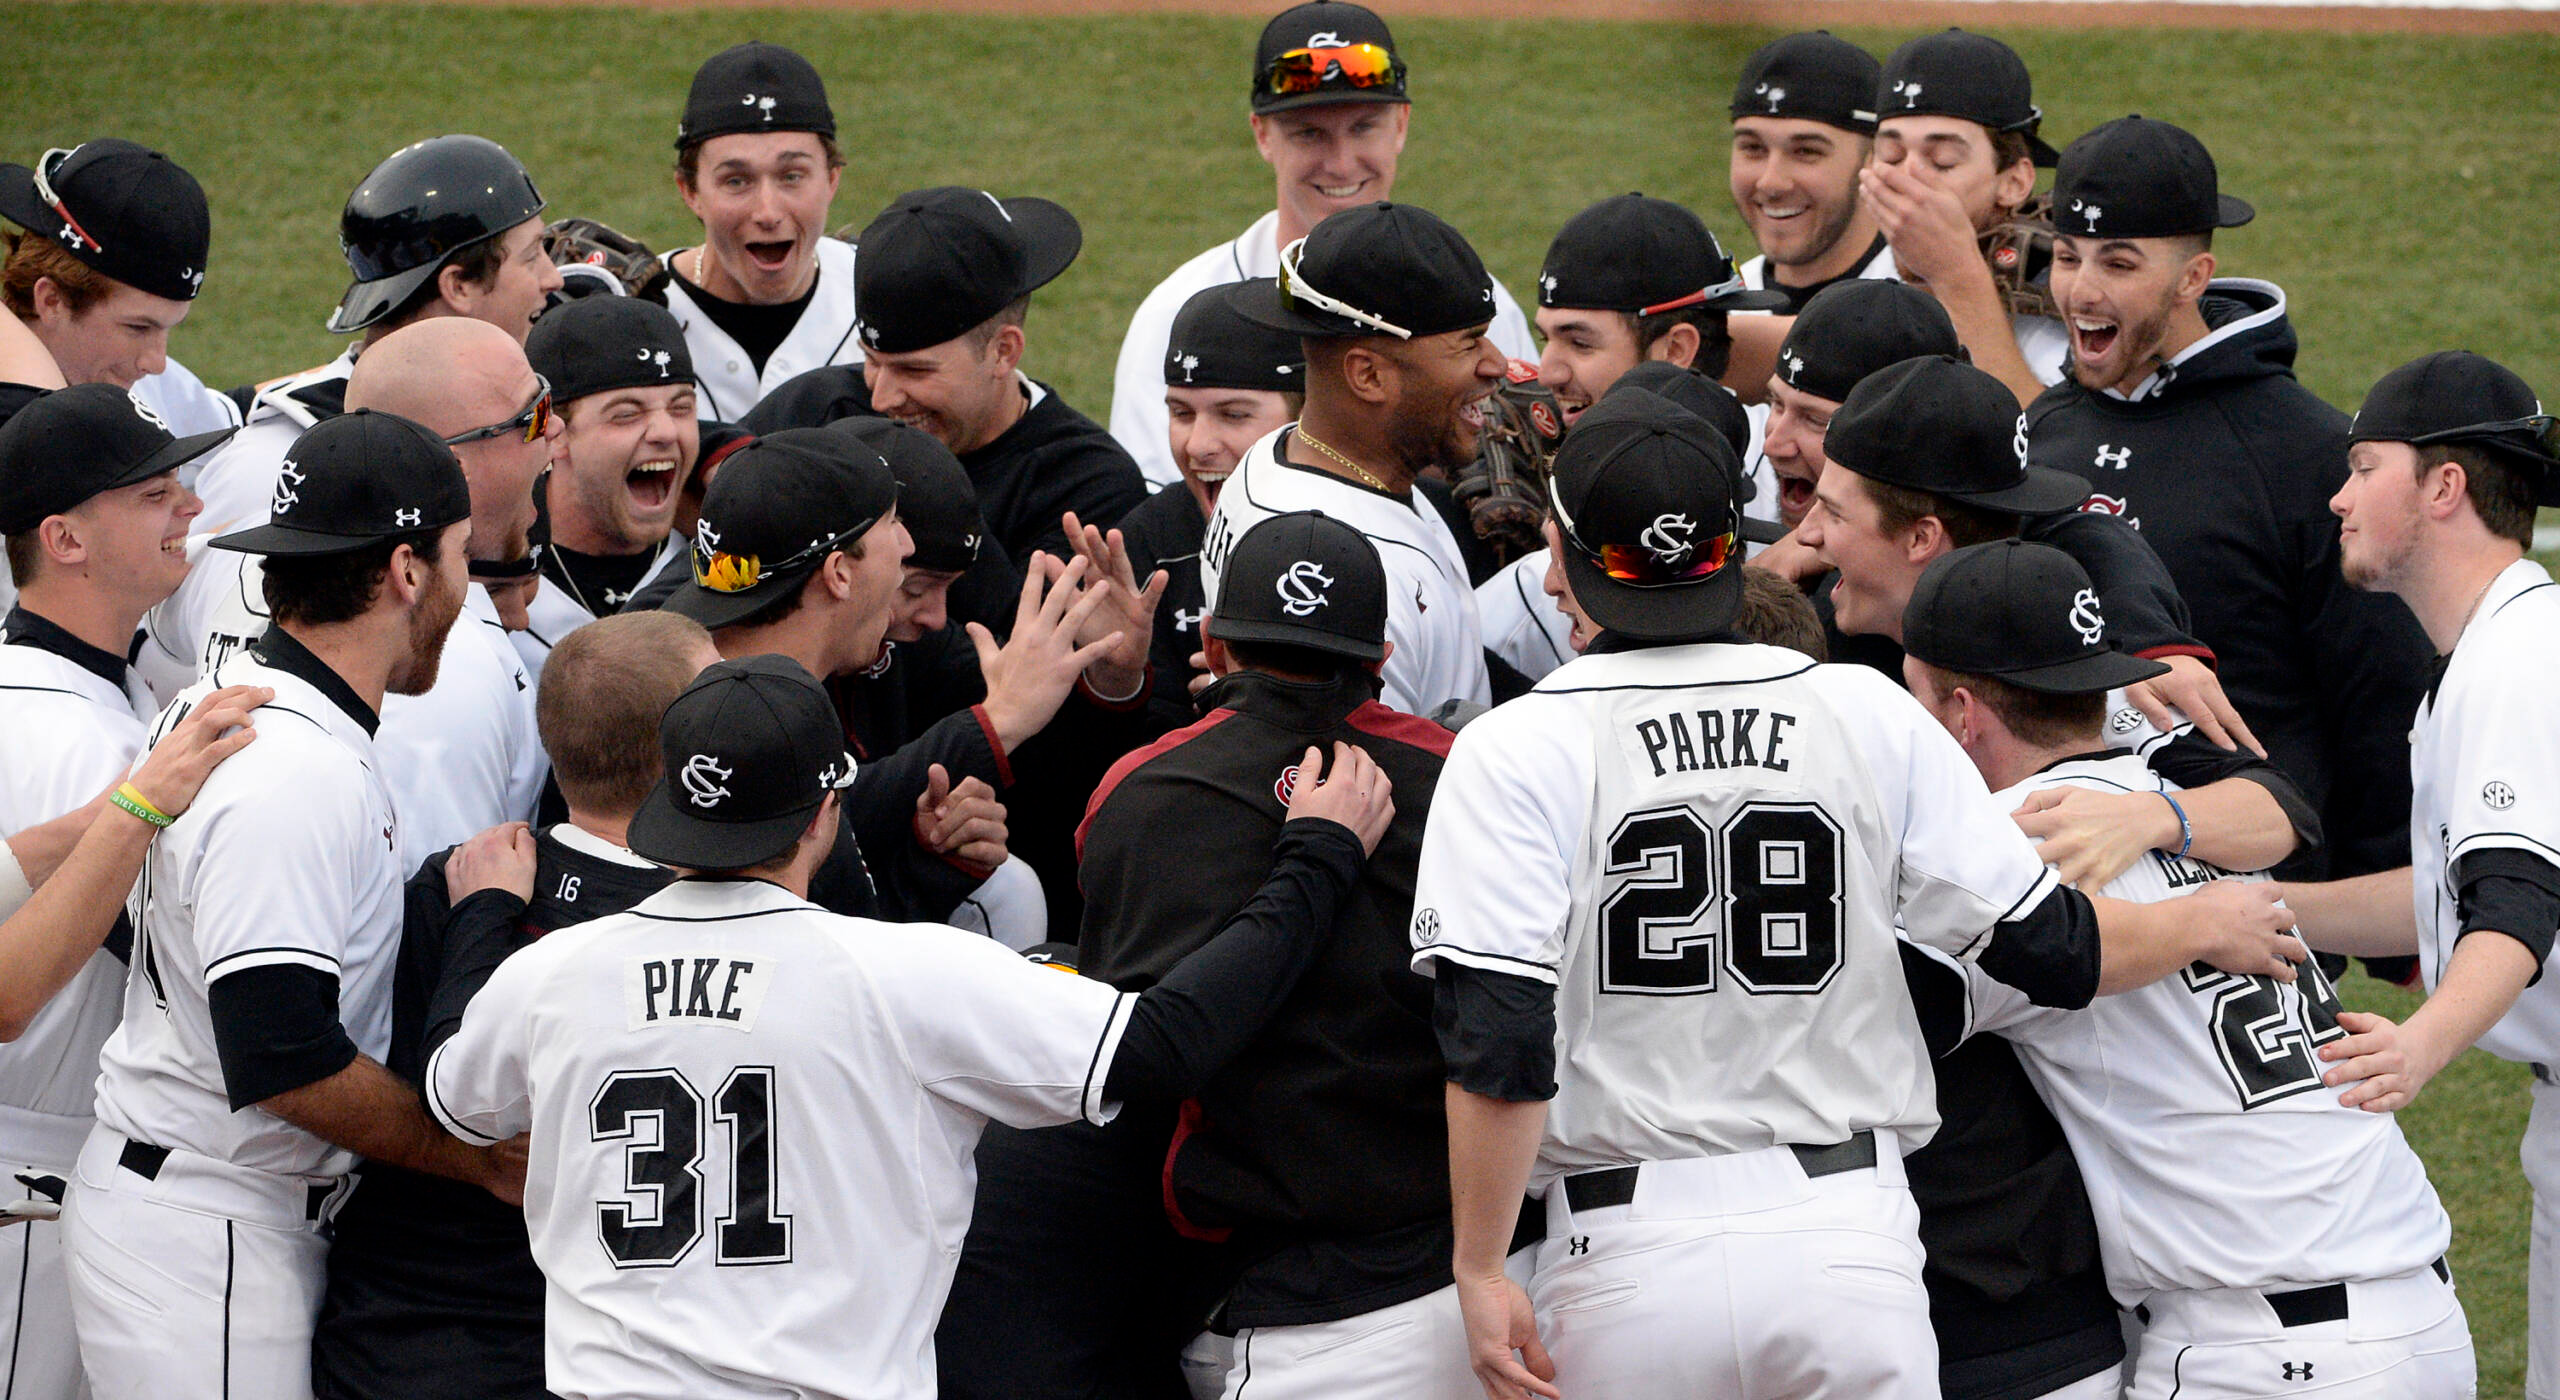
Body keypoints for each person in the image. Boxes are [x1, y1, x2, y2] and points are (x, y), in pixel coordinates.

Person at [1410, 390, 2306, 1400]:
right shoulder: (1862, 707)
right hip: (1847, 1247)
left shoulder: (1513, 745)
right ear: (1729, 543)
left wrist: (1481, 1263)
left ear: (1562, 553)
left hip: (1624, 1252)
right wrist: (2194, 917)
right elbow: (2053, 950)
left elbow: (1500, 1034)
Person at [422, 652, 1392, 1400]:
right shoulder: (903, 974)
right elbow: (1166, 1043)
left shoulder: (548, 974)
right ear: (824, 815)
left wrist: (480, 917)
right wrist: (1313, 859)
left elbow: (453, 1098)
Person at [1900, 538, 2474, 1400]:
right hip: (2419, 1318)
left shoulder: (2003, 848)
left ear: (1961, 712)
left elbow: (1863, 1019)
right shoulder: (2182, 812)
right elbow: (2282, 811)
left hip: (2263, 1351)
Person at [64, 410, 525, 1400]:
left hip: (200, 1206)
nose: (461, 583)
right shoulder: (291, 767)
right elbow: (278, 1052)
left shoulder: (234, 705)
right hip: (207, 1226)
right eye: (455, 555)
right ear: (407, 569)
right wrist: (469, 1155)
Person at [313, 609, 718, 1400]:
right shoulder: (710, 927)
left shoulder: (459, 878)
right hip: (602, 1350)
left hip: (392, 1332)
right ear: (693, 758)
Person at [2025, 115, 2435, 888]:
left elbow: (2379, 684)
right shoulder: (2046, 426)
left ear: (2192, 277)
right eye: (2069, 257)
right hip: (2057, 878)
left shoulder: (2306, 450)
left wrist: (2384, 889)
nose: (2079, 288)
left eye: (2118, 263)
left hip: (2251, 887)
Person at [2280, 352, 2560, 1397]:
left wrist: (2419, 1041)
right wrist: (2264, 907)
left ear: (2443, 487)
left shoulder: (2514, 663)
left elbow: (2519, 905)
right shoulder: (2500, 648)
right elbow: (2450, 889)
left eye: (2362, 465)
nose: (2337, 495)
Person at [0, 384, 235, 1400]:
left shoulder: (100, 695)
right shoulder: (72, 738)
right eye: (152, 492)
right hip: (27, 1208)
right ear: (65, 538)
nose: (188, 506)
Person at [142, 134, 556, 698]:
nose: (554, 278)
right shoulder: (275, 460)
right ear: (458, 284)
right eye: (532, 256)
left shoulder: (513, 399)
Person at [1764, 294, 2256, 754]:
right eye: (1776, 405)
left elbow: (2266, 802)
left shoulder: (2079, 557)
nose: (1775, 443)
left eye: (1816, 420)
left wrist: (2156, 652)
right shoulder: (1838, 594)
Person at [1108, 0, 1535, 489]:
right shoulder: (1176, 310)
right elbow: (1154, 499)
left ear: (1400, 126)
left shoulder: (1482, 307)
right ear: (1262, 135)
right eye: (1309, 133)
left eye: (1363, 128)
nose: (1341, 163)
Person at [1204, 200, 1503, 715]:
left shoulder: (1277, 457)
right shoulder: (1341, 577)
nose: (1497, 364)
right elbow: (1381, 783)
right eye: (1469, 344)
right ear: (1368, 375)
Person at [753, 185, 1148, 563]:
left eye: (914, 370)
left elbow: (1018, 632)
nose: (880, 399)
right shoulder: (818, 409)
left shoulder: (1087, 485)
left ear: (1002, 351)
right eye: (873, 361)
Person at [1115, 279, 1304, 731]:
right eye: (1181, 413)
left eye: (1233, 415)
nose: (1197, 445)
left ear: (1309, 415)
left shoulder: (1394, 523)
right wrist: (1118, 679)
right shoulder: (1151, 542)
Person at [1860, 29, 2069, 405]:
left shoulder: (2064, 298)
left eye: (1942, 161)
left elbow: (2050, 445)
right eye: (1890, 155)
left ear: (2014, 181)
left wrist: (1954, 275)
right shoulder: (1877, 274)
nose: (1905, 178)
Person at [661, 42, 862, 421]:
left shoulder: (882, 296)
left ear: (832, 180)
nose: (767, 212)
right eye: (736, 181)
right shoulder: (639, 314)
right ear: (690, 191)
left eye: (792, 177)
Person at [0, 140, 240, 434]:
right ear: (52, 301)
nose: (156, 363)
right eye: (138, 328)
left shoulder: (126, 383)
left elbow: (230, 416)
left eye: (168, 327)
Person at [516, 295, 699, 676]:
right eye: (627, 415)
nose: (666, 431)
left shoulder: (716, 556)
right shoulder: (490, 570)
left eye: (681, 407)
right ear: (556, 434)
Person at [1727, 33, 1897, 311]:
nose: (1771, 182)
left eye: (1806, 151)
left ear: (1876, 159)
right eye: (1753, 147)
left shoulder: (1933, 304)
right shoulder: (1730, 301)